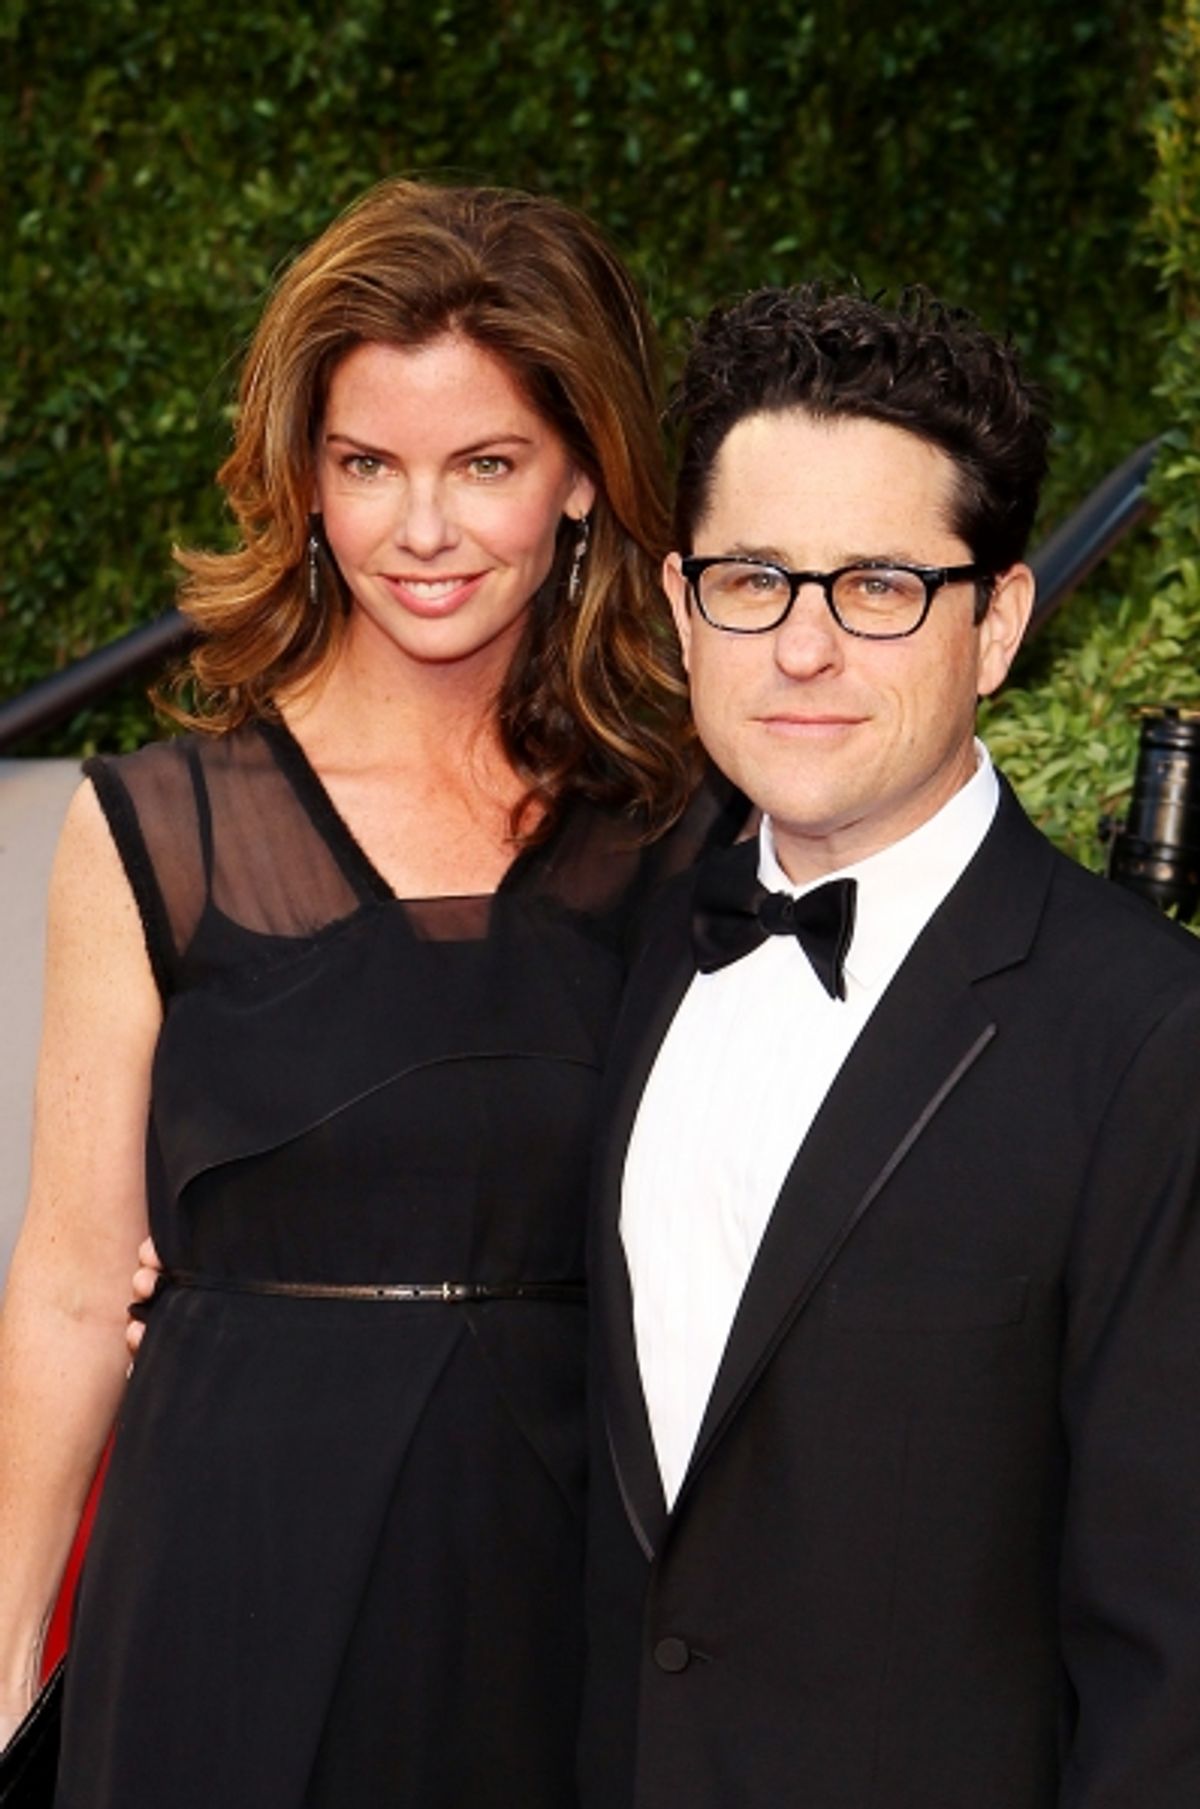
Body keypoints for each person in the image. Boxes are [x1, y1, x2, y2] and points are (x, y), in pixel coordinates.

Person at [0, 178, 738, 1808]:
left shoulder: (691, 829)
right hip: (223, 1580)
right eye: (367, 465)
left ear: (581, 482)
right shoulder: (154, 832)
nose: (422, 528)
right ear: (303, 478)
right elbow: (65, 1287)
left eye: (485, 463)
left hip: (571, 1590)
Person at [581, 286, 1200, 1808]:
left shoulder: (1148, 1036)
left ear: (996, 621)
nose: (802, 647)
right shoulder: (639, 946)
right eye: (753, 579)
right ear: (678, 604)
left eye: (877, 586)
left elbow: (1171, 1654)